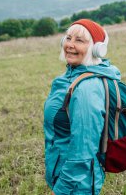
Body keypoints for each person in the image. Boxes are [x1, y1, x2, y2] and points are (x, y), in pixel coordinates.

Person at [43, 19, 121, 195]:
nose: (70, 45)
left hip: (76, 184)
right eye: (68, 38)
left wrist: (62, 189)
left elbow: (83, 151)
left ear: (96, 49)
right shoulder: (68, 78)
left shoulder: (87, 88)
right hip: (63, 172)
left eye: (79, 40)